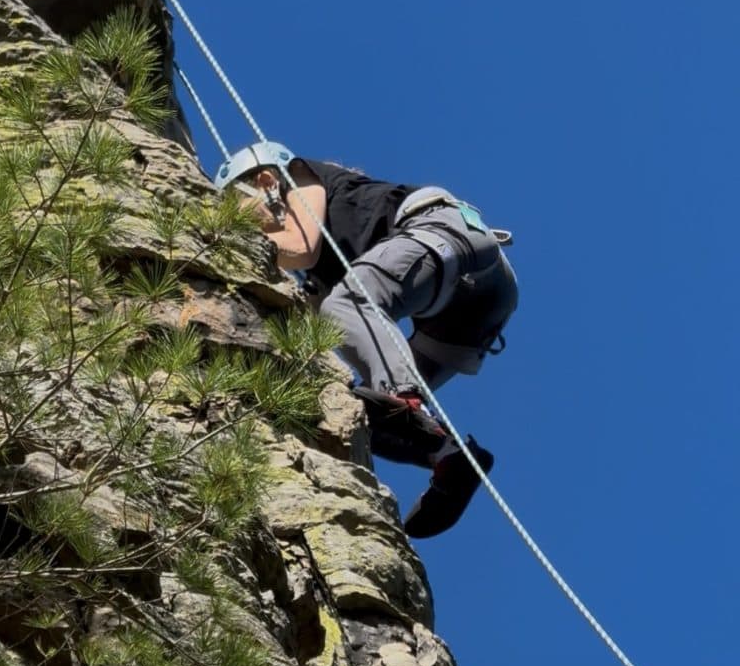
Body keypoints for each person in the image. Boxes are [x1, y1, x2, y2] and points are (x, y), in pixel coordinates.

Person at [215, 142, 518, 538]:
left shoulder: (300, 178)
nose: (239, 220)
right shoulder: (327, 274)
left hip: (444, 238)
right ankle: (448, 458)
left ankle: (404, 398)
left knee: (349, 306)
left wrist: (223, 232)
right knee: (354, 413)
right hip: (470, 313)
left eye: (239, 206)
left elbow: (302, 249)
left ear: (266, 182)